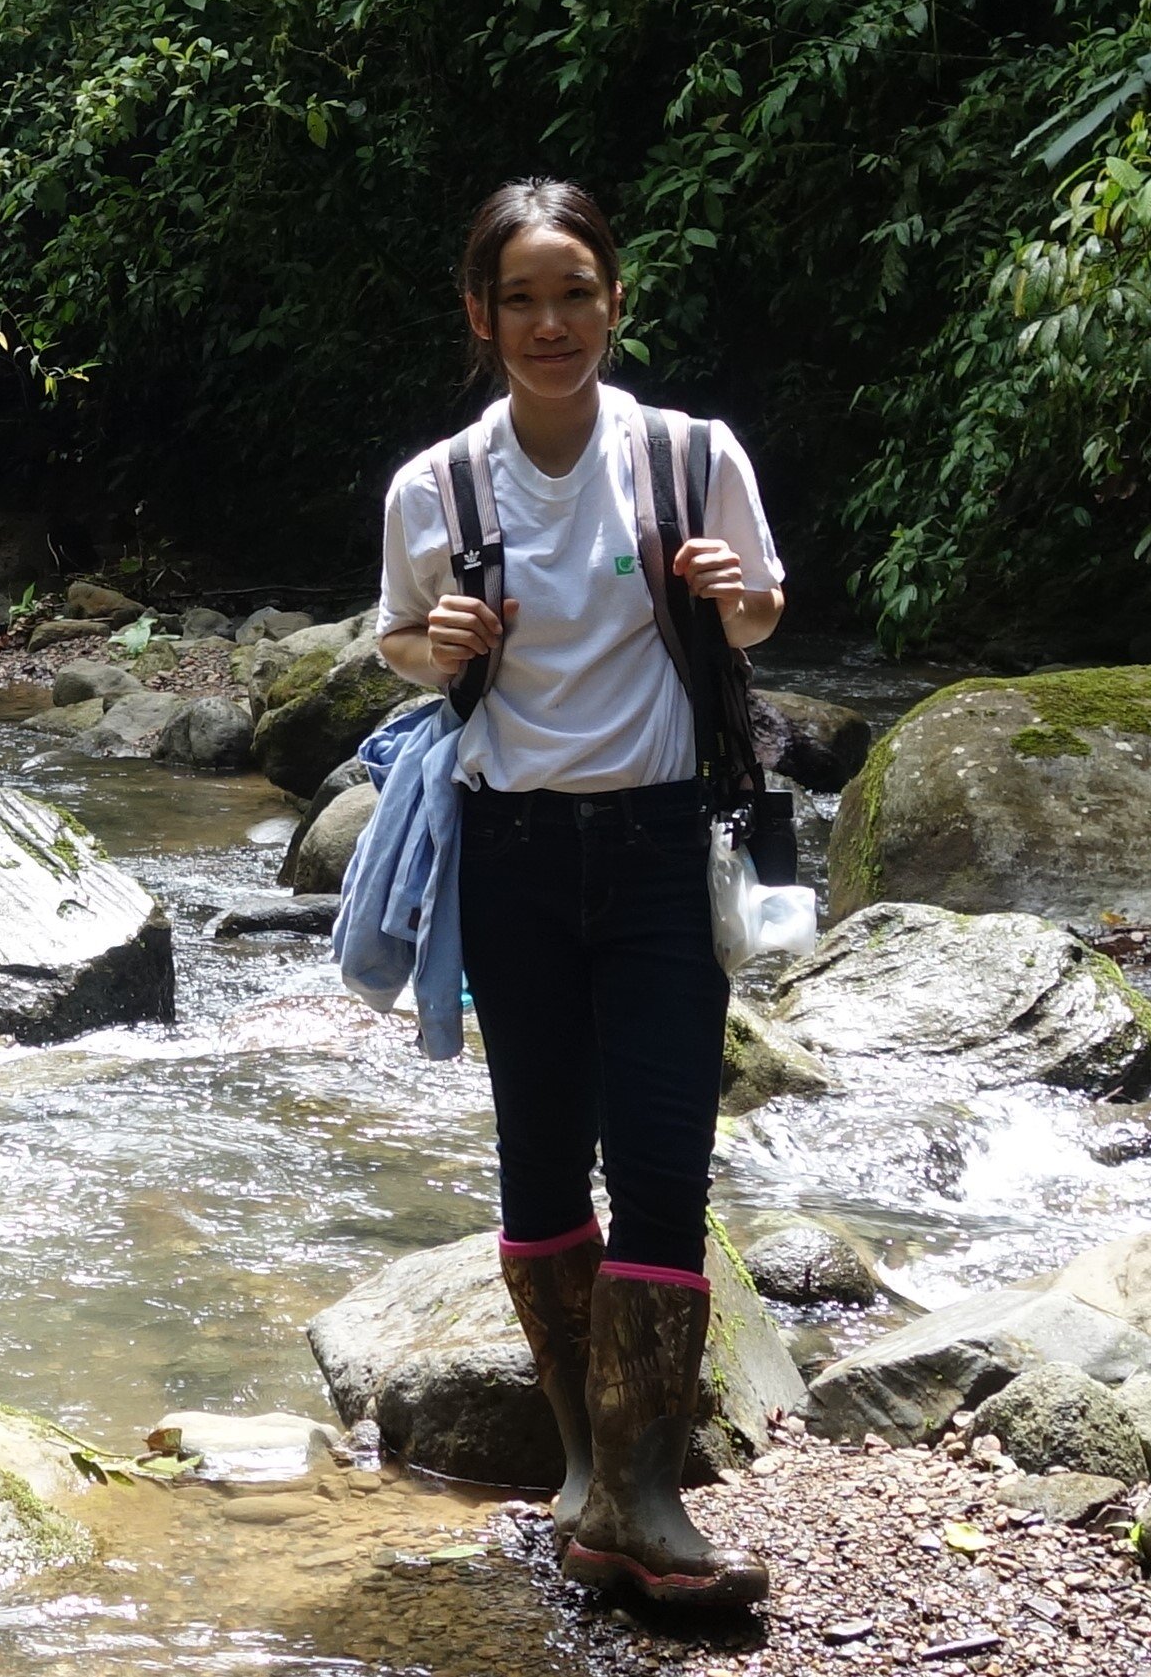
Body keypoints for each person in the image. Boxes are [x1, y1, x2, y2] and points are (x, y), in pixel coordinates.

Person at [375, 179, 785, 1608]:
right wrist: (433, 638)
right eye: (523, 299)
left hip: (664, 845)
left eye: (577, 293)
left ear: (613, 300)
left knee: (666, 1158)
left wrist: (733, 590)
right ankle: (580, 1465)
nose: (552, 323)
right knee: (541, 1162)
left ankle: (649, 1492)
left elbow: (755, 614)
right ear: (479, 315)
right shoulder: (438, 486)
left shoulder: (687, 456)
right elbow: (398, 649)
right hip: (513, 853)